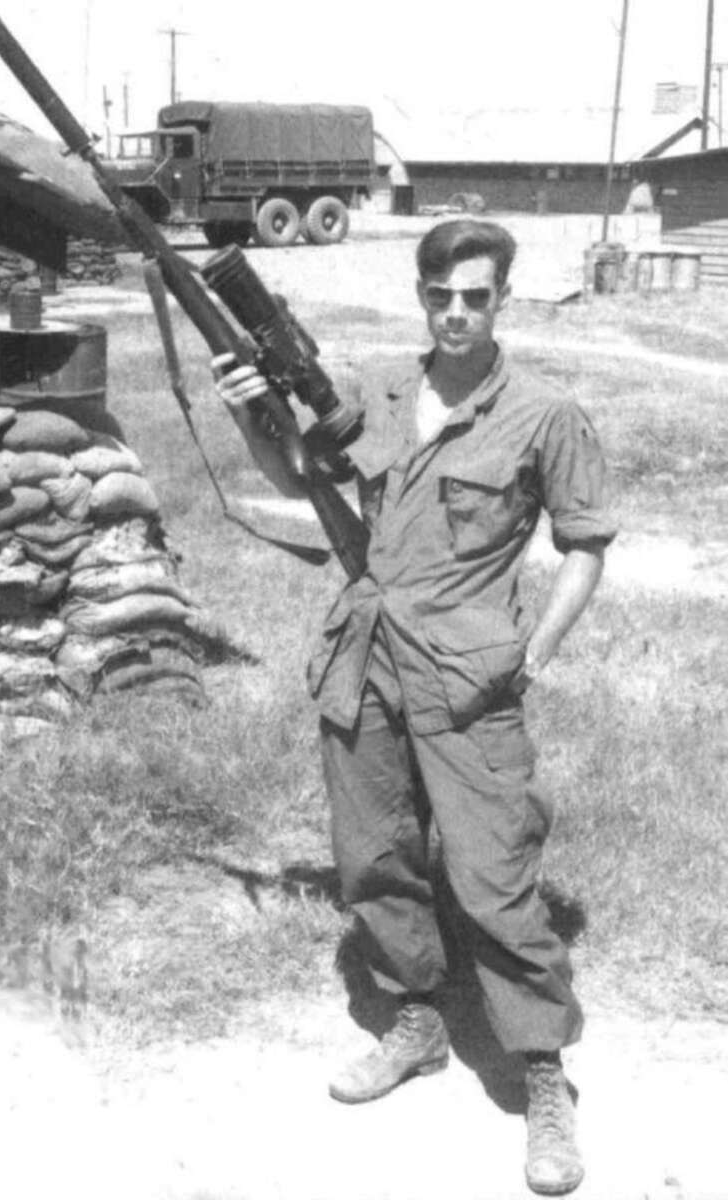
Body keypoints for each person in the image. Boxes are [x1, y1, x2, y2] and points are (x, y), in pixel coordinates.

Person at [212, 219, 616, 1196]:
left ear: (500, 302)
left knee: (491, 879)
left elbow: (586, 544)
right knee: (376, 858)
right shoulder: (380, 397)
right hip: (367, 663)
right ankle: (417, 1019)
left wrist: (534, 651)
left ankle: (540, 1072)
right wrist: (248, 416)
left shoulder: (541, 414)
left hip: (470, 678)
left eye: (477, 296)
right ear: (424, 296)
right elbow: (301, 480)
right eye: (442, 295)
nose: (458, 312)